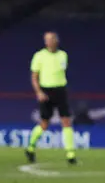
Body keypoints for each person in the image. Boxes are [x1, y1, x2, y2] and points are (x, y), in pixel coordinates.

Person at [25, 31, 76, 164]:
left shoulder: (63, 55)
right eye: (47, 39)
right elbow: (34, 77)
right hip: (46, 90)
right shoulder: (39, 56)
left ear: (56, 40)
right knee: (44, 123)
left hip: (60, 90)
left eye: (52, 38)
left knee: (66, 121)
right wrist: (39, 92)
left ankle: (71, 154)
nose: (49, 41)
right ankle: (30, 147)